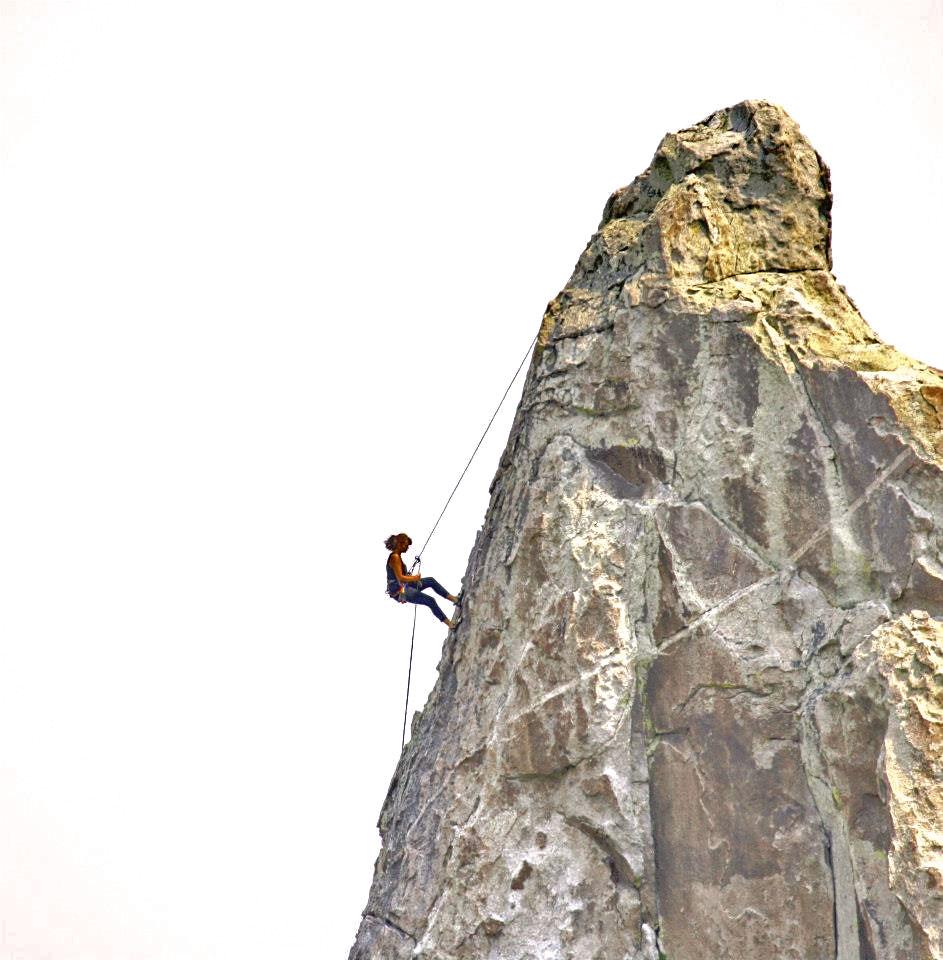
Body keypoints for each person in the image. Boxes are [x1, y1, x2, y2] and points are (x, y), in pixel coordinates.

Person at [385, 532, 459, 628]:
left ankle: (455, 599)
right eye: (406, 545)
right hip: (400, 592)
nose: (407, 548)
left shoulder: (397, 556)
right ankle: (450, 624)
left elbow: (400, 577)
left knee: (431, 581)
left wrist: (410, 578)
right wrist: (414, 578)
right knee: (430, 600)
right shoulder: (394, 557)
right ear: (400, 544)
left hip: (403, 587)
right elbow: (401, 578)